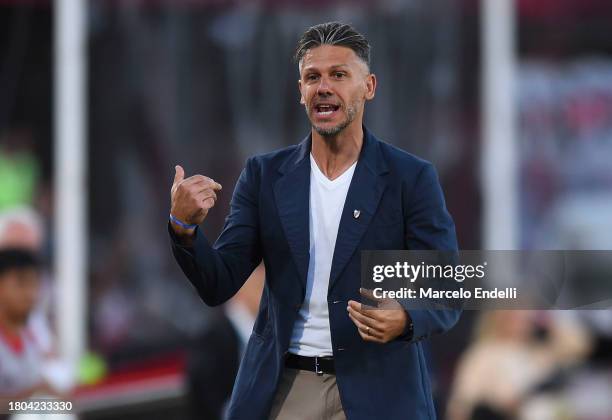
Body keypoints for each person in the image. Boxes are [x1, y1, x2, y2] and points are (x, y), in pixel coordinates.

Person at [169, 21, 459, 420]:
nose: (324, 86)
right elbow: (219, 282)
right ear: (300, 92)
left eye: (339, 75)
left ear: (369, 86)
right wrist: (184, 229)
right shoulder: (264, 176)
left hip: (379, 385)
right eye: (312, 77)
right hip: (288, 386)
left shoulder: (411, 178)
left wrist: (407, 317)